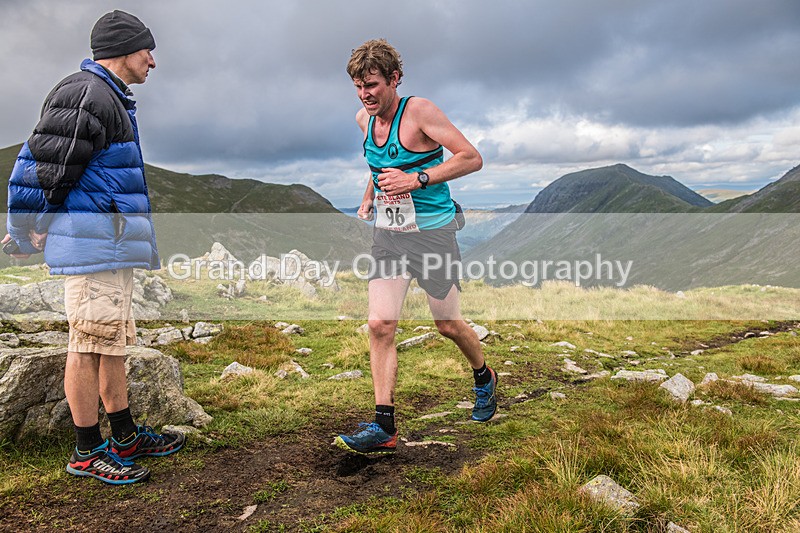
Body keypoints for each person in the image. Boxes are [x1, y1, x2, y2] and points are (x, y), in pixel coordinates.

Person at [3, 10, 184, 484]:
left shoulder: (107, 96)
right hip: (91, 246)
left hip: (110, 245)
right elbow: (41, 167)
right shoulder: (87, 93)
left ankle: (123, 436)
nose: (153, 61)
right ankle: (86, 450)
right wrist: (25, 230)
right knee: (86, 346)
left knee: (112, 344)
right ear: (126, 49)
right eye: (149, 50)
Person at [334, 39, 497, 455]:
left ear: (394, 79)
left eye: (372, 84)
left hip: (433, 235)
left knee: (447, 324)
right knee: (380, 324)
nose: (365, 94)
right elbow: (377, 164)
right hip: (390, 235)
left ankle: (483, 376)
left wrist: (418, 179)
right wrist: (370, 194)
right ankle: (383, 425)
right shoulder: (363, 120)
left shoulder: (420, 112)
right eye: (358, 86)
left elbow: (471, 157)